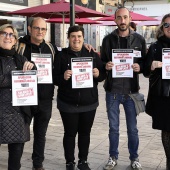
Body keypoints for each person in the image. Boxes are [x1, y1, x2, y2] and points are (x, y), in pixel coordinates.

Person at [17, 17, 95, 170]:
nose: (40, 31)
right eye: (37, 28)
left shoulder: (51, 48)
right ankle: (15, 165)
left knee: (40, 134)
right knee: (20, 135)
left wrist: (84, 46)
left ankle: (37, 165)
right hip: (24, 97)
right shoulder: (19, 47)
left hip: (45, 99)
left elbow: (59, 68)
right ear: (29, 29)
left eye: (43, 29)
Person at [53, 25, 106, 170]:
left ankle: (83, 161)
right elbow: (54, 77)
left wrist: (97, 74)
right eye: (73, 36)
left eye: (79, 36)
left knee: (85, 133)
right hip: (67, 103)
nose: (76, 39)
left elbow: (102, 75)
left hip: (89, 103)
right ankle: (70, 161)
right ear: (68, 38)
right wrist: (62, 77)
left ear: (83, 38)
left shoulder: (92, 54)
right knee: (69, 134)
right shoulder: (61, 55)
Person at [101, 6, 146, 170]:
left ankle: (134, 158)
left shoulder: (139, 40)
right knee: (113, 128)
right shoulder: (107, 40)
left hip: (131, 92)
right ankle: (113, 157)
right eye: (119, 18)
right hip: (112, 91)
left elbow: (145, 63)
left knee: (132, 129)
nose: (122, 21)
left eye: (125, 17)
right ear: (115, 20)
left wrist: (139, 67)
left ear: (130, 18)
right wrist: (106, 65)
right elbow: (101, 62)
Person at [0, 24, 36, 170]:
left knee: (15, 160)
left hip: (18, 115)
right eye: (4, 33)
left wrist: (33, 67)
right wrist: (16, 77)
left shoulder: (21, 59)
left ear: (15, 40)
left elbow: (33, 78)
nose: (7, 37)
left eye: (11, 35)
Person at [143, 13, 170, 170]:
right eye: (166, 25)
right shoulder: (155, 47)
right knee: (167, 130)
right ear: (162, 28)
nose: (169, 28)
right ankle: (169, 162)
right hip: (163, 95)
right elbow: (146, 71)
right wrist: (152, 66)